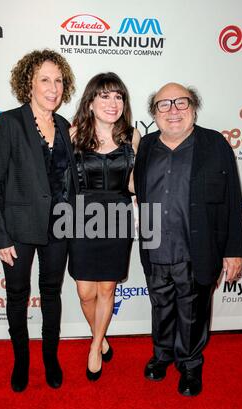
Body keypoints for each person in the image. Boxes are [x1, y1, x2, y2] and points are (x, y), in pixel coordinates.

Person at [134, 82, 242, 396]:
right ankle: (162, 355)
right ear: (154, 114)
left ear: (193, 107)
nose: (173, 111)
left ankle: (190, 364)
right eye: (163, 105)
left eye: (181, 102)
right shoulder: (145, 147)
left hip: (196, 248)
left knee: (193, 312)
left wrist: (234, 250)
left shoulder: (214, 144)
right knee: (161, 307)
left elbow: (232, 199)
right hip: (154, 246)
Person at [0, 49, 78, 392]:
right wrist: (1, 235)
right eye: (45, 79)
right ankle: (21, 360)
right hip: (19, 229)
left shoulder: (66, 126)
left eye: (58, 80)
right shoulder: (8, 122)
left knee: (51, 293)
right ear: (29, 83)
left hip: (59, 227)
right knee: (17, 295)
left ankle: (50, 358)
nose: (53, 87)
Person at [68, 72, 140, 380]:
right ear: (91, 101)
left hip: (117, 217)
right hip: (81, 217)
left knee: (108, 287)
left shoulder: (132, 136)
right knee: (85, 292)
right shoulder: (72, 135)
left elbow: (135, 184)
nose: (113, 103)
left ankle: (95, 345)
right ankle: (102, 336)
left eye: (118, 96)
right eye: (105, 95)